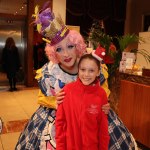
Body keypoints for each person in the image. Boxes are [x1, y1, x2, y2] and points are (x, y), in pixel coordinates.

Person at [16, 3, 137, 150]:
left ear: (77, 46)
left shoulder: (90, 64)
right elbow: (43, 97)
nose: (66, 54)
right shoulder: (50, 72)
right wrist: (55, 101)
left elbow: (102, 92)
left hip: (92, 117)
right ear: (53, 53)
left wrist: (104, 104)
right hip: (63, 118)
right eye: (59, 49)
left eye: (70, 46)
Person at [56, 53, 110, 150]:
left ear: (98, 72)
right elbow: (60, 123)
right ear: (78, 70)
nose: (86, 74)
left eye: (91, 70)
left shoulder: (101, 94)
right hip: (70, 146)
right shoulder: (67, 91)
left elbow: (103, 128)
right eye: (83, 69)